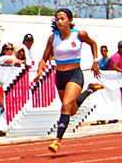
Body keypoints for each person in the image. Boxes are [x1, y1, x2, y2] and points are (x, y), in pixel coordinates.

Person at [35, 8, 101, 153]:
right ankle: (89, 90)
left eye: (63, 18)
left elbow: (93, 44)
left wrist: (95, 61)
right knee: (70, 111)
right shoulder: (53, 38)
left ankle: (57, 141)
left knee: (65, 105)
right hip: (60, 76)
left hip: (74, 75)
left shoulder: (79, 35)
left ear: (70, 21)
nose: (60, 21)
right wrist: (40, 70)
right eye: (57, 19)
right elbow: (44, 57)